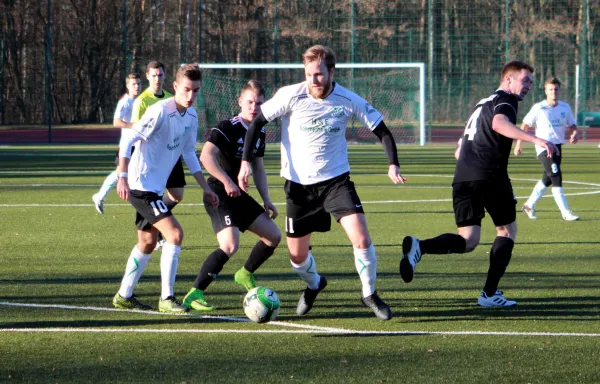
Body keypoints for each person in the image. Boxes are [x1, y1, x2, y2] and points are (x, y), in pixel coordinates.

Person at [237, 45, 406, 321]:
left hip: (336, 182)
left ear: (331, 71)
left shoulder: (348, 99)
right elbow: (256, 123)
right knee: (297, 258)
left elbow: (383, 132)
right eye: (308, 74)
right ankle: (315, 284)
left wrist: (393, 163)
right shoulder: (291, 95)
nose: (313, 80)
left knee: (361, 238)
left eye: (318, 74)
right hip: (298, 187)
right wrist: (245, 162)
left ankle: (369, 294)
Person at [399, 61, 557, 307]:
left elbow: (459, 149)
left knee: (469, 240)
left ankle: (419, 247)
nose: (529, 86)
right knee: (506, 231)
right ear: (508, 80)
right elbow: (499, 124)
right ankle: (489, 294)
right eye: (525, 80)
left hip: (462, 177)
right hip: (489, 175)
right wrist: (535, 138)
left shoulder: (480, 104)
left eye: (531, 82)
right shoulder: (507, 99)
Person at [112, 64, 218, 313]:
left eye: (196, 91)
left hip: (154, 188)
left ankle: (124, 296)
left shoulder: (191, 116)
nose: (191, 96)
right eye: (186, 90)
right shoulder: (160, 111)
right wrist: (122, 177)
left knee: (148, 242)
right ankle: (167, 298)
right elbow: (128, 139)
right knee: (175, 234)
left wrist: (206, 187)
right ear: (175, 87)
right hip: (141, 187)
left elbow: (189, 152)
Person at [182, 80, 282, 311]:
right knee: (230, 244)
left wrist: (267, 199)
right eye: (249, 102)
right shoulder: (227, 126)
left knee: (273, 236)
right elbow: (206, 157)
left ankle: (245, 274)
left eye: (258, 103)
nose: (254, 107)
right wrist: (227, 181)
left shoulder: (260, 131)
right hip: (219, 192)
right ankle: (195, 292)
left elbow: (258, 167)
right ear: (240, 102)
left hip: (238, 195)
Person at [132, 61, 186, 249]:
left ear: (165, 76)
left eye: (160, 75)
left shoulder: (173, 98)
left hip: (172, 153)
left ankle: (154, 217)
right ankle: (157, 225)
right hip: (154, 157)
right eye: (153, 75)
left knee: (178, 194)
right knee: (157, 192)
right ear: (147, 76)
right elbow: (137, 133)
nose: (157, 79)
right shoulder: (142, 101)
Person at [513, 77, 580, 221]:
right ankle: (565, 212)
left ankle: (529, 205)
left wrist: (575, 133)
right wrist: (519, 144)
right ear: (545, 91)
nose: (553, 92)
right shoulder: (539, 108)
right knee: (556, 176)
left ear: (559, 90)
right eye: (550, 89)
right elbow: (524, 125)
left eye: (556, 89)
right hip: (543, 147)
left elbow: (572, 124)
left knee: (548, 178)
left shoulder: (565, 107)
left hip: (558, 146)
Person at [92, 73, 142, 214]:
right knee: (121, 173)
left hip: (138, 145)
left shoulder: (140, 101)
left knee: (133, 173)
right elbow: (116, 122)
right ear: (127, 86)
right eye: (134, 84)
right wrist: (133, 126)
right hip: (127, 146)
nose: (137, 86)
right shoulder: (125, 102)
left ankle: (100, 196)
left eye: (139, 83)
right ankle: (99, 196)